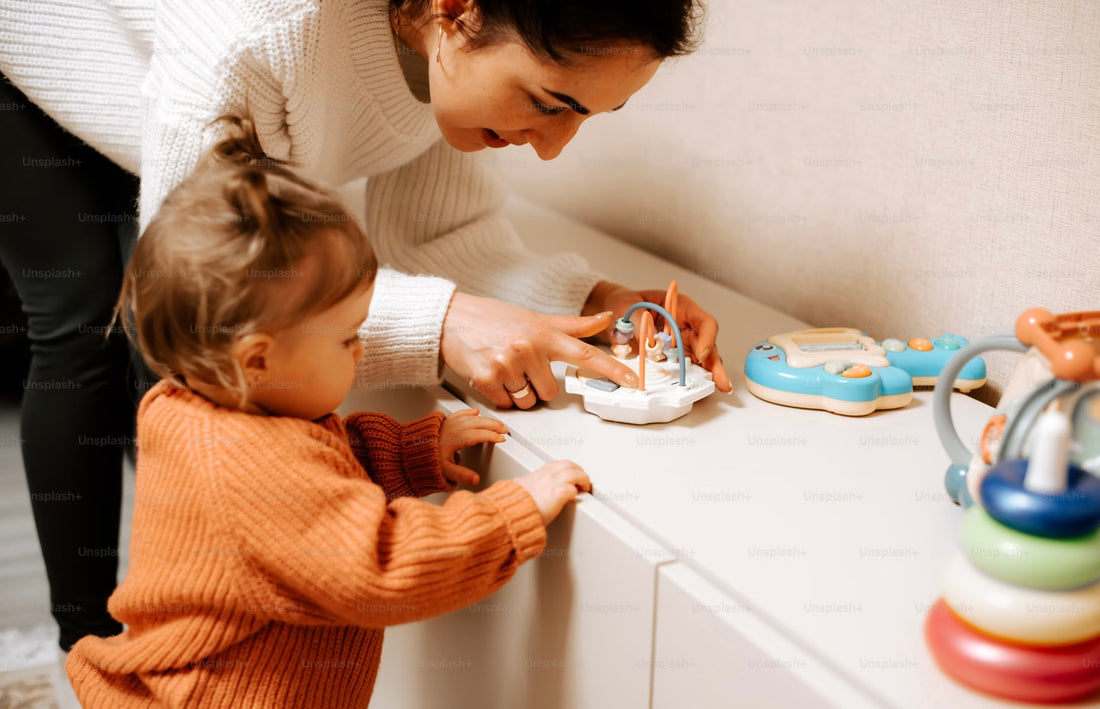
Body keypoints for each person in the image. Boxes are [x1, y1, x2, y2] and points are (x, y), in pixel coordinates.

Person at [0, 0, 728, 657]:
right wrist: (442, 325)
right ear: (455, 10)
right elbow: (201, 301)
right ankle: (91, 647)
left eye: (586, 116)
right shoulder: (257, 31)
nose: (552, 147)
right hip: (42, 46)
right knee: (84, 317)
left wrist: (593, 302)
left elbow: (442, 234)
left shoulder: (444, 56)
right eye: (547, 102)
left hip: (172, 82)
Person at [66, 116, 592, 707]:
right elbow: (383, 566)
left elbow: (318, 479)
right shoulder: (251, 462)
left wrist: (410, 451)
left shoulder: (193, 404)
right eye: (346, 338)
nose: (362, 348)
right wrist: (511, 513)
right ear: (258, 360)